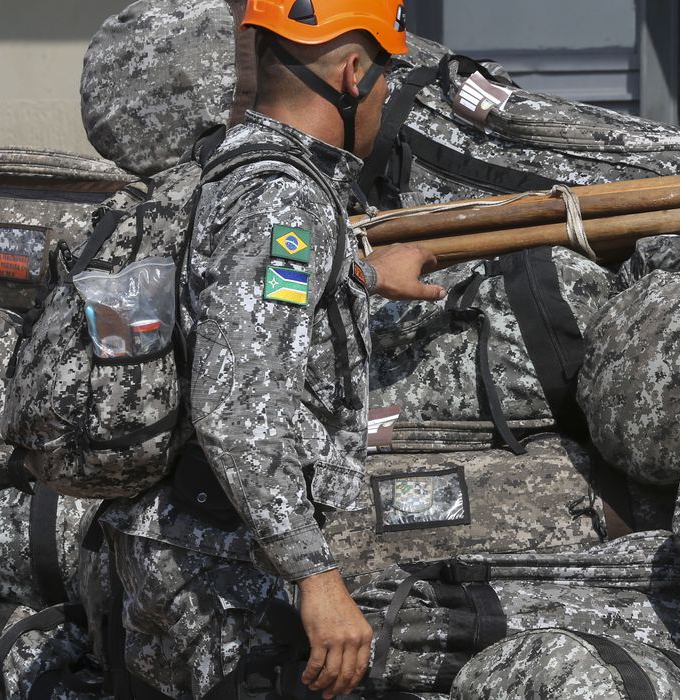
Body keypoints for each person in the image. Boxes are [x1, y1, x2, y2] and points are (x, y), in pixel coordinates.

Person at [99, 1, 445, 697]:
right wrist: (314, 576)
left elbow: (234, 302)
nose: (385, 100)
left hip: (179, 540)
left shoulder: (232, 165)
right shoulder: (281, 199)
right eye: (385, 82)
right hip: (220, 561)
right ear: (352, 75)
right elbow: (236, 402)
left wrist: (363, 277)